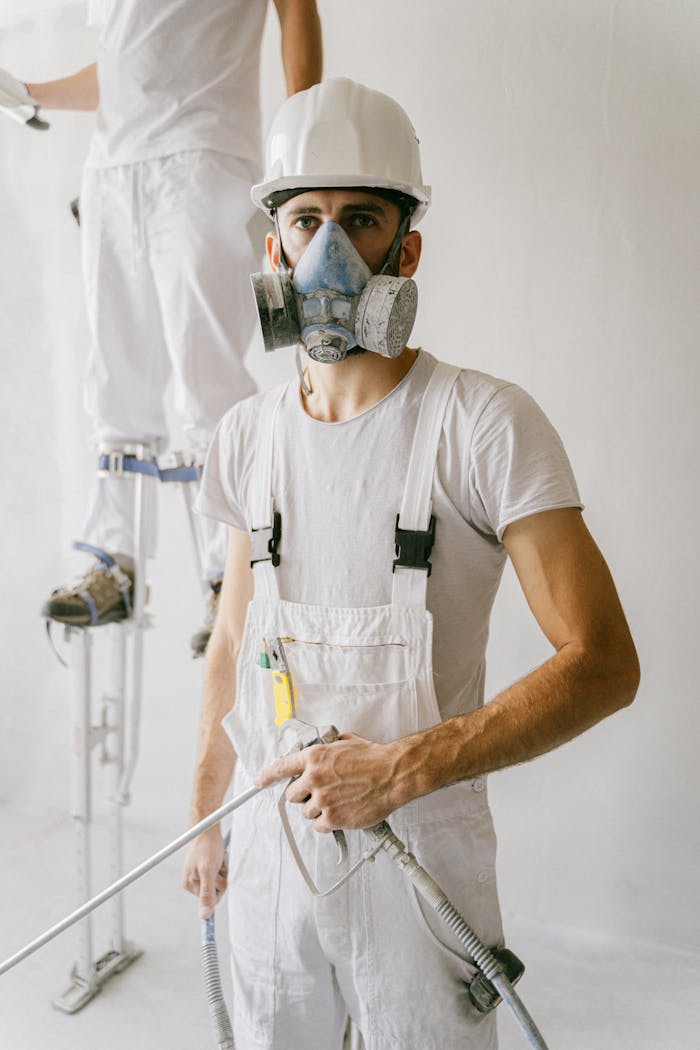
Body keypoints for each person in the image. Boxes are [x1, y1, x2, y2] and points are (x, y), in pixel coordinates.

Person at [183, 78, 640, 1049]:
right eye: (305, 219)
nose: (329, 253)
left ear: (407, 247)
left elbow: (602, 661)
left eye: (361, 219)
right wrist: (205, 817)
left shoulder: (482, 424)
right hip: (271, 849)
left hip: (420, 852)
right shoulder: (243, 438)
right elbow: (232, 634)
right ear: (272, 247)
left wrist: (401, 770)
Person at [1, 0, 322, 654]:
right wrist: (29, 93)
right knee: (115, 379)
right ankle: (113, 562)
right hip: (113, 170)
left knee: (206, 381)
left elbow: (295, 7)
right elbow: (129, 72)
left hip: (204, 155)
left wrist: (304, 144)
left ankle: (227, 577)